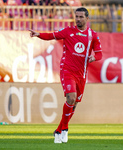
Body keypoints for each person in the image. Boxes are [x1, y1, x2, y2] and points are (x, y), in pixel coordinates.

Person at [29, 7, 102, 143]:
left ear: (87, 19)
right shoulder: (68, 31)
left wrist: (94, 58)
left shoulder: (93, 35)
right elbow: (51, 35)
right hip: (67, 70)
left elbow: (99, 53)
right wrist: (38, 34)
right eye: (76, 16)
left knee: (74, 104)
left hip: (81, 74)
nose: (78, 19)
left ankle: (58, 129)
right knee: (71, 97)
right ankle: (65, 129)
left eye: (81, 17)